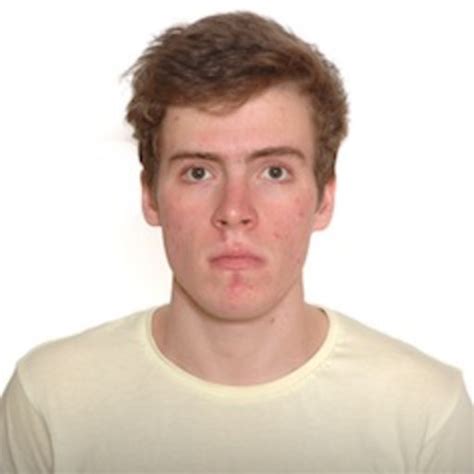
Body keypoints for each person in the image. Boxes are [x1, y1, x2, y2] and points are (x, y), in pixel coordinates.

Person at [0, 11, 472, 473]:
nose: (234, 211)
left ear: (324, 198)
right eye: (198, 172)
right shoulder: (50, 402)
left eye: (274, 172)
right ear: (150, 196)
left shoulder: (425, 415)